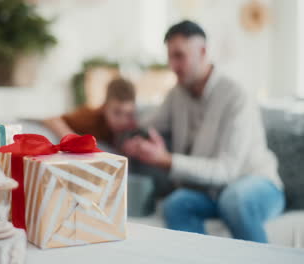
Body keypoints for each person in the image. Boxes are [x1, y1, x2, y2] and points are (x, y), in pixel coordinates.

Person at [122, 20, 284, 243]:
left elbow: (226, 171)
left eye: (179, 56)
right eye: (169, 57)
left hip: (254, 183)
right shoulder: (177, 94)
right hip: (210, 192)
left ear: (203, 52)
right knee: (175, 204)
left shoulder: (236, 95)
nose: (173, 65)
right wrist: (135, 139)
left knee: (234, 199)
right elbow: (149, 125)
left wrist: (166, 160)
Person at [43, 78, 137, 147]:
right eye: (117, 112)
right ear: (104, 106)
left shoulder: (132, 127)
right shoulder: (91, 117)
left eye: (128, 114)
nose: (122, 120)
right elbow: (52, 119)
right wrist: (71, 138)